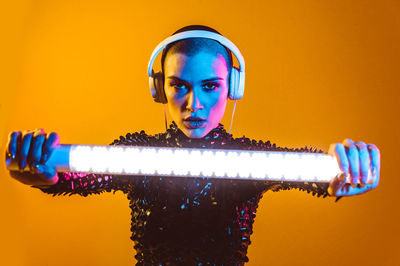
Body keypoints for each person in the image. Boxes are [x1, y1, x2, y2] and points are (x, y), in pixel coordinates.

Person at [6, 25, 380, 265]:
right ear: (160, 89)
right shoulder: (137, 154)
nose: (193, 104)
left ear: (232, 87)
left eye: (210, 86)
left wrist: (346, 169)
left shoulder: (251, 159)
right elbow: (75, 178)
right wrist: (38, 172)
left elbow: (316, 172)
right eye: (179, 85)